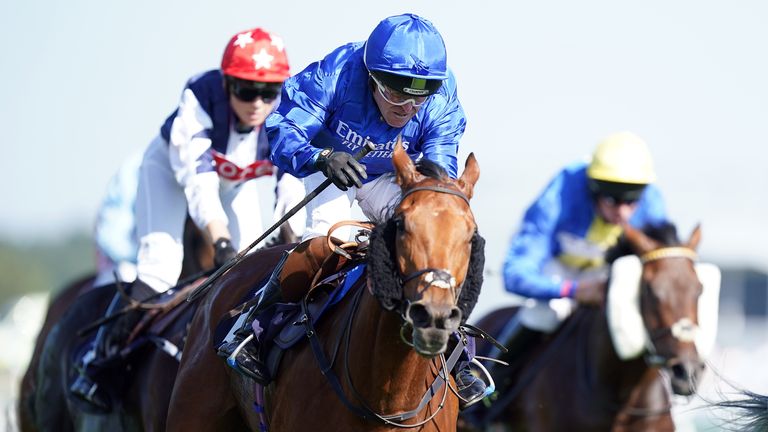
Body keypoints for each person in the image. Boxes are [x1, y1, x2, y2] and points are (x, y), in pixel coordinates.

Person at [220, 13, 488, 408]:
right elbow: (283, 130)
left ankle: (456, 350)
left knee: (438, 235)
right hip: (326, 170)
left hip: (390, 179)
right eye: (396, 94)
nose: (409, 106)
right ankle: (252, 326)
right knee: (328, 246)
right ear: (372, 77)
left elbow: (437, 174)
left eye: (420, 96)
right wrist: (322, 156)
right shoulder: (339, 71)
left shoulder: (442, 97)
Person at [70, 27, 303, 411]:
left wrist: (289, 233)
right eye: (246, 90)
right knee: (160, 267)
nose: (258, 103)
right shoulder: (200, 96)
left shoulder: (288, 109)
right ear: (227, 83)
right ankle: (95, 360)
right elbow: (198, 182)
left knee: (253, 269)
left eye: (268, 91)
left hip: (234, 184)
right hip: (170, 176)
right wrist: (220, 240)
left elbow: (290, 178)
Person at [499, 131, 668, 363]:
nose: (623, 212)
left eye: (631, 201)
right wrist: (573, 291)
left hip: (610, 276)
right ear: (593, 188)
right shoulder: (561, 193)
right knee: (545, 314)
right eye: (612, 201)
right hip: (560, 271)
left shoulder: (651, 201)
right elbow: (514, 274)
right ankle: (496, 383)